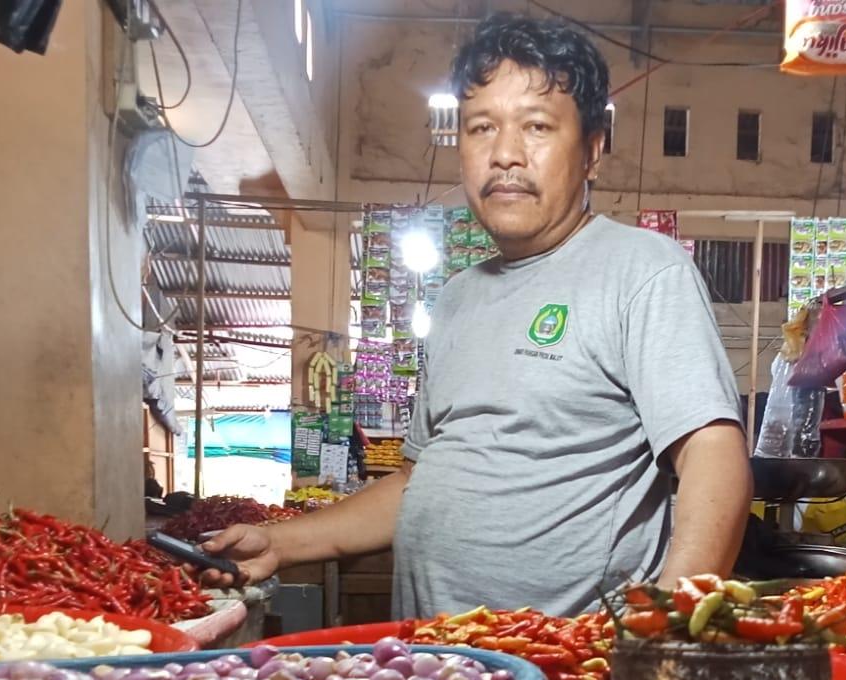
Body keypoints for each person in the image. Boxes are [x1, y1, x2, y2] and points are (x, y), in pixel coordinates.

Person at [203, 13, 753, 618]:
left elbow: (712, 453)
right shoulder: (458, 297)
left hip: (568, 662)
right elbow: (413, 485)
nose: (505, 155)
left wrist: (670, 617)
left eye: (537, 126)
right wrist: (279, 543)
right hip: (435, 655)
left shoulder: (642, 271)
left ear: (593, 150)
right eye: (482, 127)